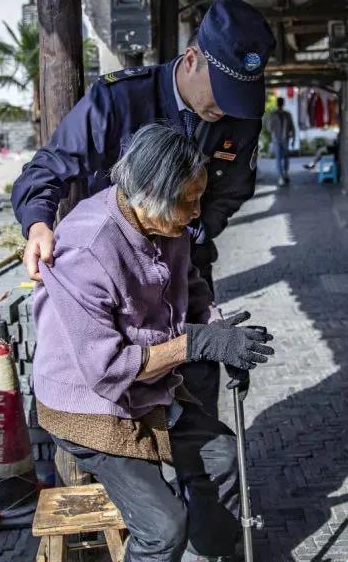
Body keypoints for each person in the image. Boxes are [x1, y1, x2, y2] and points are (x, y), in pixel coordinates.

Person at [11, 0, 276, 417]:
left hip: (185, 267)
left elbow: (235, 188)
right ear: (192, 60)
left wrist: (196, 228)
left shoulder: (238, 114)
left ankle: (195, 478)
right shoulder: (119, 100)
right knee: (122, 398)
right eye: (221, 93)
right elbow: (48, 168)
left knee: (197, 396)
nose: (225, 109)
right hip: (113, 273)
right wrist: (39, 223)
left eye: (238, 98)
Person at [33, 124, 275, 562]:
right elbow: (107, 369)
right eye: (188, 201)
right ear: (148, 192)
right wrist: (196, 345)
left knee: (221, 458)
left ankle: (217, 553)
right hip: (90, 406)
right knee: (162, 528)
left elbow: (194, 290)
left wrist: (221, 333)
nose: (197, 212)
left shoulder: (168, 224)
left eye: (199, 197)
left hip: (149, 389)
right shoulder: (88, 249)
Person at [264, 97, 295, 185]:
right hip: (276, 139)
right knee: (278, 158)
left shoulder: (287, 114)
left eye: (281, 102)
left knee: (285, 157)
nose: (280, 104)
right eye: (280, 102)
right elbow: (268, 126)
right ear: (278, 103)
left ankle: (285, 173)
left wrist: (293, 138)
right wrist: (273, 132)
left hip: (285, 139)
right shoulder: (272, 114)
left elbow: (292, 127)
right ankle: (281, 176)